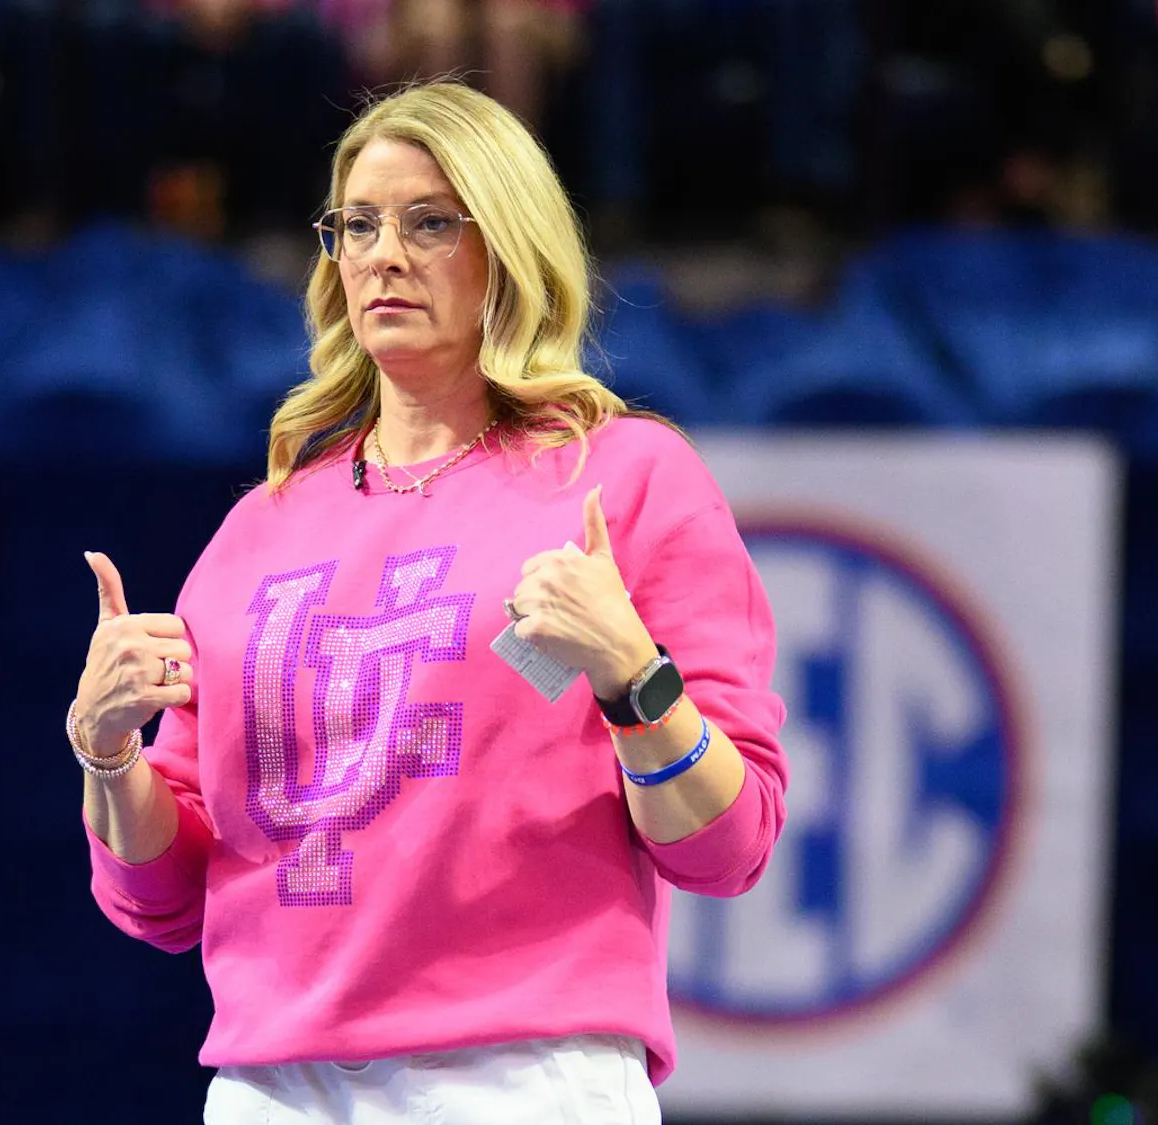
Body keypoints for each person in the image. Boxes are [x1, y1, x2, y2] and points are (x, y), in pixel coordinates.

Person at [73, 80, 788, 1124]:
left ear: (506, 246)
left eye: (428, 223)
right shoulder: (258, 531)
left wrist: (635, 679)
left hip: (519, 1076)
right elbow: (163, 897)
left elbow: (727, 848)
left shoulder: (624, 479)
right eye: (355, 225)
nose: (382, 255)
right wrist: (106, 756)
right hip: (274, 1089)